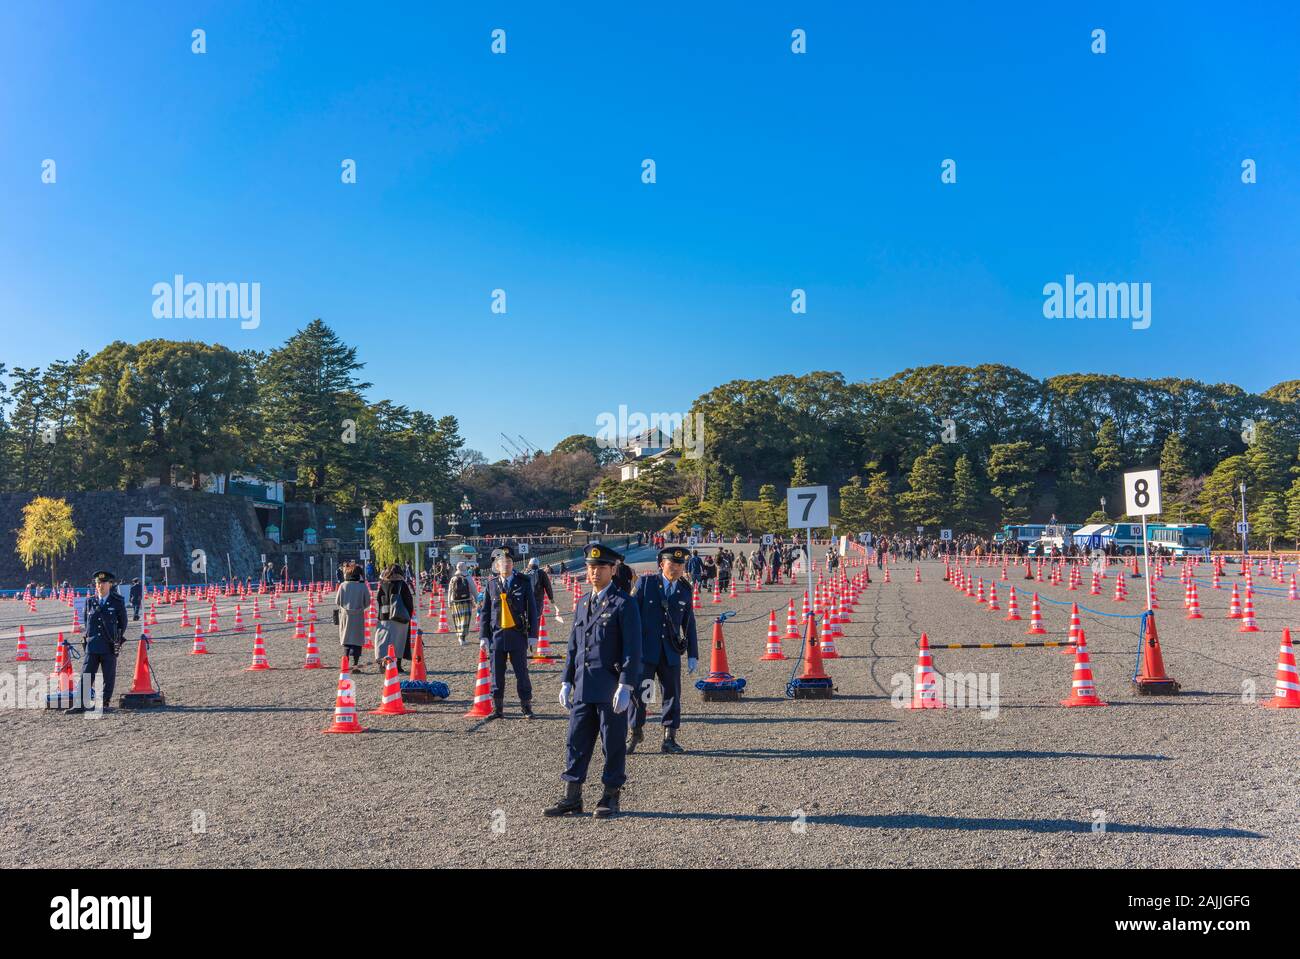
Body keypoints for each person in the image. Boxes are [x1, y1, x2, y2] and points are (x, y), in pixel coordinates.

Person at [544, 543, 642, 819]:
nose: (594, 572)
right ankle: (572, 797)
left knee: (612, 744)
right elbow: (574, 645)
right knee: (576, 741)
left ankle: (611, 796)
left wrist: (626, 685)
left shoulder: (624, 603)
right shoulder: (583, 602)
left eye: (600, 567)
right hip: (583, 685)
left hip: (610, 687)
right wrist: (566, 680)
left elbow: (632, 649)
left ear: (613, 569)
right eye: (590, 567)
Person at [629, 545, 698, 754]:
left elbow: (689, 622)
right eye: (672, 564)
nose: (676, 568)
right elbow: (630, 617)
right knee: (642, 695)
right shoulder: (646, 583)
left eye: (680, 564)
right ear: (661, 564)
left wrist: (693, 654)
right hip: (646, 652)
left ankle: (669, 737)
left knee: (671, 694)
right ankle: (635, 731)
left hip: (670, 653)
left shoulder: (685, 589)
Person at [478, 545, 539, 720]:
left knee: (522, 673)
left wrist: (533, 635)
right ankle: (498, 709)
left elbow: (532, 610)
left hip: (518, 635)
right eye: (502, 562)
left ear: (513, 563)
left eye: (509, 561)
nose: (506, 564)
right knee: (496, 674)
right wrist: (483, 636)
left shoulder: (523, 582)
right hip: (497, 635)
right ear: (496, 566)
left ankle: (526, 707)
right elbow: (485, 612)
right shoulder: (491, 585)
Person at [67, 570, 128, 714]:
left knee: (108, 675)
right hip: (93, 645)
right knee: (86, 674)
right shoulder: (90, 601)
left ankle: (104, 702)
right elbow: (87, 623)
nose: (100, 586)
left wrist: (116, 639)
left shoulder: (117, 601)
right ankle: (80, 703)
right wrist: (87, 640)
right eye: (98, 583)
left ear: (110, 584)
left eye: (103, 583)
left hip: (109, 644)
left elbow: (123, 623)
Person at [374, 564, 414, 673]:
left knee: (382, 641)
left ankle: (382, 662)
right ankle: (397, 665)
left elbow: (378, 599)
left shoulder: (383, 583)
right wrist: (408, 615)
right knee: (398, 642)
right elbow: (408, 601)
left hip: (384, 616)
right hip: (399, 616)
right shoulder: (402, 584)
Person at [334, 562, 371, 669]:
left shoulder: (343, 585)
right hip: (358, 615)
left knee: (346, 639)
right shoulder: (362, 586)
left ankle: (345, 663)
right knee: (357, 640)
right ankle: (355, 664)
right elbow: (367, 602)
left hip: (345, 616)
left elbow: (338, 601)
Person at [447, 562, 478, 646]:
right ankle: (462, 637)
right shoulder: (467, 577)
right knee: (465, 620)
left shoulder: (453, 578)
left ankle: (459, 636)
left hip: (455, 602)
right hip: (466, 600)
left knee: (457, 619)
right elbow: (473, 589)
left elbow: (450, 590)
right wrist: (477, 600)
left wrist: (449, 602)